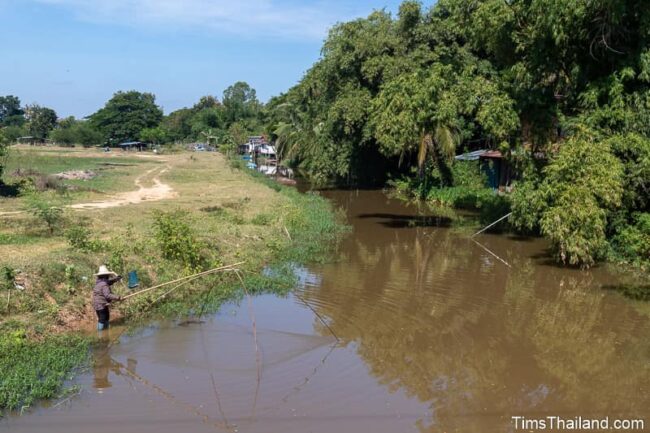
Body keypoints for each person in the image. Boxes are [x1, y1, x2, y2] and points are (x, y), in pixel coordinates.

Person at [92, 265, 122, 330]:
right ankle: (100, 334)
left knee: (106, 317)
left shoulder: (99, 282)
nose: (108, 277)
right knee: (102, 319)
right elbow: (108, 295)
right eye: (108, 275)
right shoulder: (104, 284)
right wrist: (118, 297)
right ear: (106, 276)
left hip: (99, 303)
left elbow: (109, 282)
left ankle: (106, 331)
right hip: (101, 304)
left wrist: (116, 279)